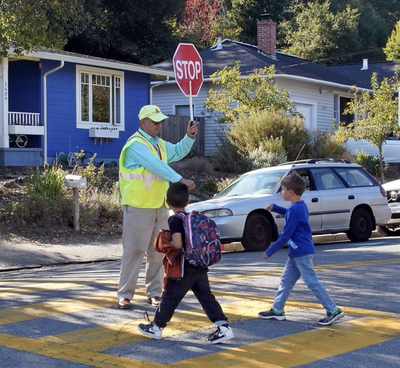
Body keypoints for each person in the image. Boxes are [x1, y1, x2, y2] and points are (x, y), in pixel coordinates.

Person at [117, 105, 197, 310]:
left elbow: (178, 151)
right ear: (142, 122)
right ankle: (125, 294)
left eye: (160, 121)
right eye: (154, 121)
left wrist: (188, 137)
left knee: (158, 252)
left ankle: (154, 293)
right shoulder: (135, 145)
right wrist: (180, 179)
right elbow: (156, 165)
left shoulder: (159, 144)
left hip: (159, 206)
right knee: (134, 251)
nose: (158, 125)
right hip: (138, 206)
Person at [137, 182, 234, 344]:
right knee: (206, 297)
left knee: (169, 297)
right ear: (187, 203)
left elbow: (177, 244)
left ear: (167, 203)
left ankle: (157, 327)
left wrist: (165, 242)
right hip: (199, 266)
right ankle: (224, 327)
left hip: (183, 268)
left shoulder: (175, 220)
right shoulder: (192, 217)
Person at [258, 172, 345, 326]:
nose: (281, 192)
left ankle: (333, 310)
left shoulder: (294, 210)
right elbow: (290, 214)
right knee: (286, 281)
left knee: (312, 282)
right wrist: (275, 207)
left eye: (283, 189)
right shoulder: (299, 206)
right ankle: (277, 309)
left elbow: (285, 235)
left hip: (301, 252)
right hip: (297, 252)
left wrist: (269, 251)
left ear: (290, 192)